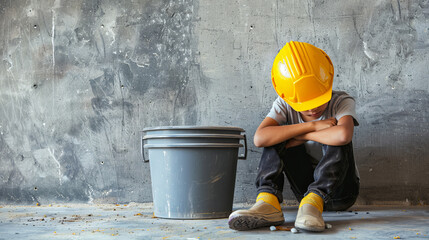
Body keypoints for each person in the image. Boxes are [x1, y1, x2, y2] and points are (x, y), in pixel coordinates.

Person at [228, 41, 360, 232]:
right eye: (305, 104)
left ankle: (315, 202)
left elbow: (343, 135)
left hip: (341, 193)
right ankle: (268, 202)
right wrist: (312, 127)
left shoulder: (340, 101)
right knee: (274, 138)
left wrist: (300, 136)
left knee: (337, 139)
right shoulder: (284, 104)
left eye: (318, 100)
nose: (313, 108)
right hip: (304, 193)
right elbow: (260, 138)